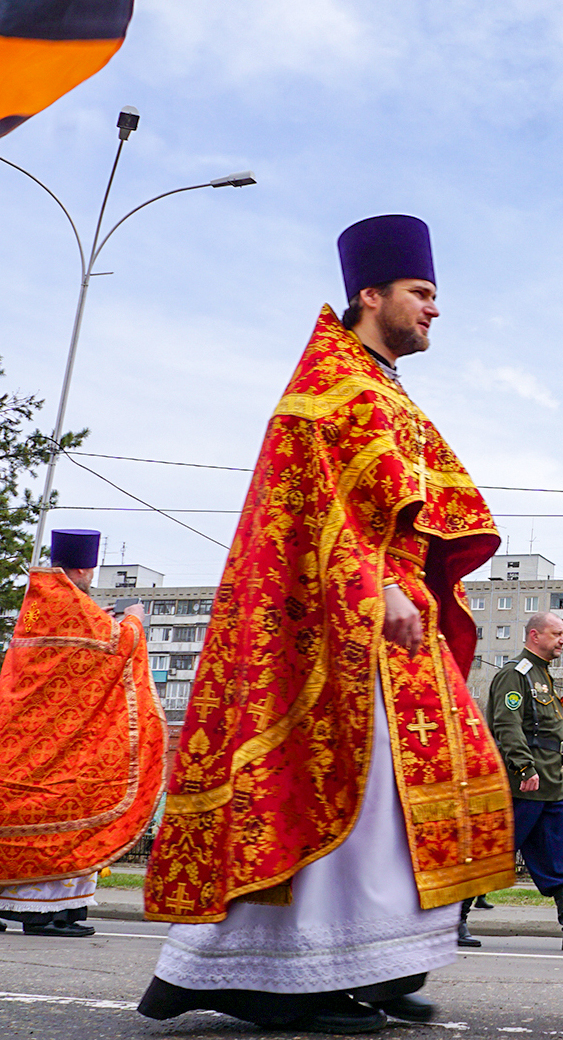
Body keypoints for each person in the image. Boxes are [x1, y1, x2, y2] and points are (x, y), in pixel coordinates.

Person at [137, 215, 515, 1035]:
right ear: (370, 296)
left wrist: (410, 574)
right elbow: (310, 507)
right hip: (339, 628)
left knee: (406, 793)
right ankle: (272, 977)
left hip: (393, 625)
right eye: (421, 294)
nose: (434, 310)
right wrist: (377, 580)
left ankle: (373, 963)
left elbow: (423, 502)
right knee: (339, 789)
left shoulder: (382, 388)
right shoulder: (325, 390)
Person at [0, 530, 163, 939]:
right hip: (53, 743)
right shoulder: (66, 600)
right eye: (90, 571)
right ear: (83, 567)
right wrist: (133, 616)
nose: (91, 578)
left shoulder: (47, 599)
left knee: (63, 814)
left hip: (41, 734)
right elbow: (120, 645)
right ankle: (37, 912)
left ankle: (61, 906)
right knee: (59, 812)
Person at [476, 611, 563, 951]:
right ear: (535, 635)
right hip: (524, 785)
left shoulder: (542, 676)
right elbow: (507, 726)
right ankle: (452, 921)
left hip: (550, 785)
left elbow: (545, 734)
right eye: (557, 633)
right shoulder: (514, 675)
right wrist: (523, 768)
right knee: (494, 854)